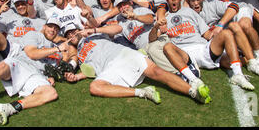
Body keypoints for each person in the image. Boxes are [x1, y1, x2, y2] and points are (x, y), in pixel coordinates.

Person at [64, 23, 212, 105]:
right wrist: (76, 77)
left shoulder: (95, 34)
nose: (72, 35)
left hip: (122, 53)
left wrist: (93, 29)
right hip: (110, 68)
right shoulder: (78, 54)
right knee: (95, 87)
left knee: (157, 73)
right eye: (68, 34)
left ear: (79, 29)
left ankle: (193, 91)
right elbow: (91, 71)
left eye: (73, 31)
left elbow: (118, 28)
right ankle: (143, 92)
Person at [149, 0, 256, 90]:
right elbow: (152, 39)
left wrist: (220, 37)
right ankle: (193, 80)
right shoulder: (164, 18)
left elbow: (207, 34)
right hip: (185, 54)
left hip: (202, 48)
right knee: (167, 47)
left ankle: (238, 74)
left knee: (227, 34)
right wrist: (156, 27)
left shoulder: (190, 12)